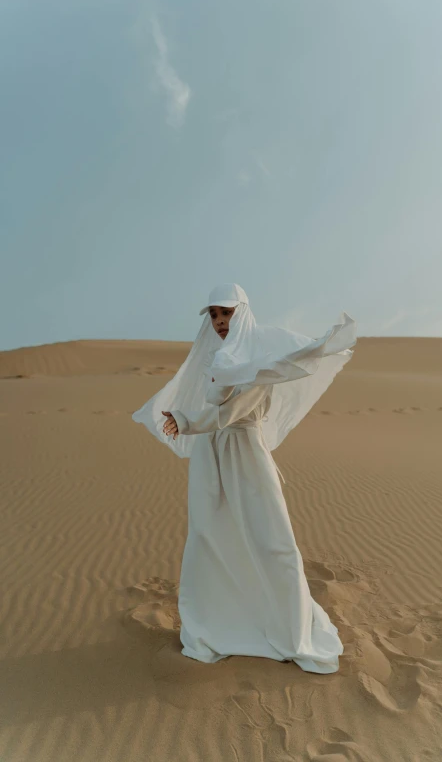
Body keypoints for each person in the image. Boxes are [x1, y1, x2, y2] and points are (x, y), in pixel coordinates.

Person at [132, 283, 356, 673]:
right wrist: (185, 419)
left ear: (244, 313)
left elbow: (231, 412)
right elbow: (205, 406)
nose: (220, 322)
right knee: (209, 537)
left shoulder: (259, 359)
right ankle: (217, 624)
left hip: (246, 454)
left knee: (273, 540)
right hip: (210, 456)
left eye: (227, 313)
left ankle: (290, 630)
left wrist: (185, 421)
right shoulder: (215, 359)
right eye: (214, 315)